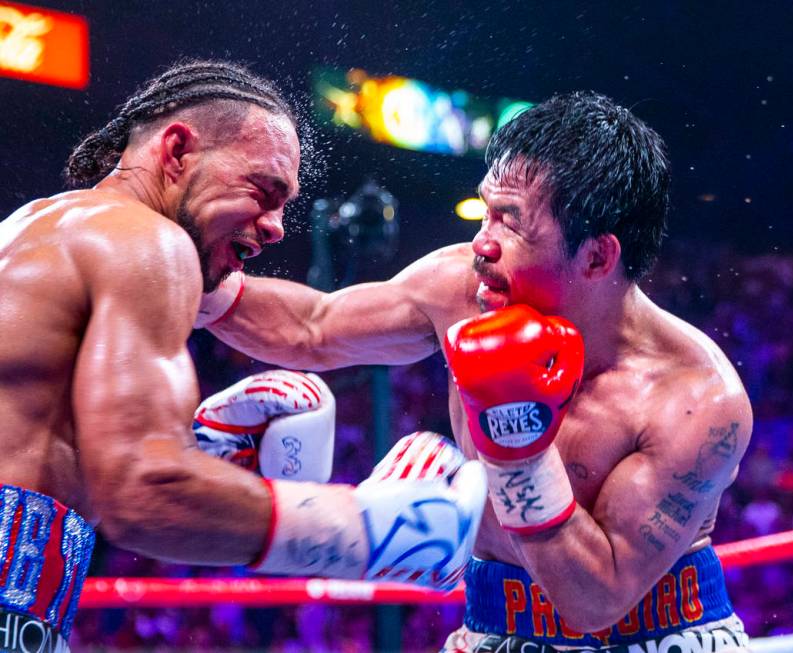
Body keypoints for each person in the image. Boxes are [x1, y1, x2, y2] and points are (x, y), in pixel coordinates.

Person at [198, 91, 754, 652]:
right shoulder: (465, 289)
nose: (481, 242)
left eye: (511, 224)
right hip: (494, 627)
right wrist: (182, 270)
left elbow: (597, 599)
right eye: (485, 209)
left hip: (655, 636)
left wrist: (518, 450)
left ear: (596, 258)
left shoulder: (697, 399)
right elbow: (311, 326)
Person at [0, 60, 485, 653]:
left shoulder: (41, 230)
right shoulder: (149, 243)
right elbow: (141, 493)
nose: (279, 227)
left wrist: (202, 448)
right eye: (263, 190)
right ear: (177, 150)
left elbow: (310, 327)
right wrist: (372, 527)